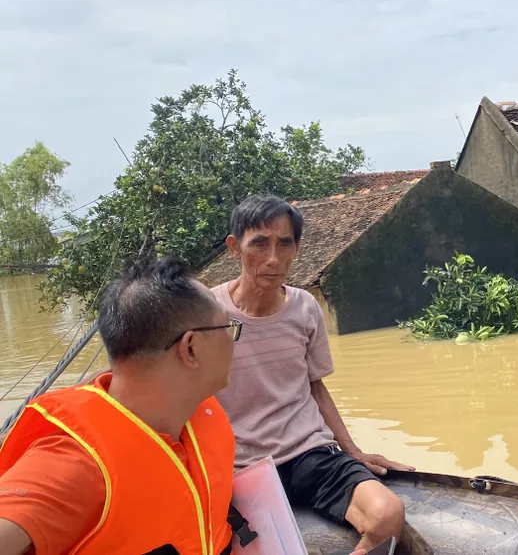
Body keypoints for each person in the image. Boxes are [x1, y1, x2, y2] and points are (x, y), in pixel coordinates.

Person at [211, 194, 414, 553]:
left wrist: (352, 449)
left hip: (308, 454)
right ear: (234, 248)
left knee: (387, 514)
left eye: (284, 244)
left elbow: (315, 387)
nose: (274, 259)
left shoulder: (305, 307)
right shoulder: (208, 313)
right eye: (259, 244)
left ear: (297, 248)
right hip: (239, 467)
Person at [0, 257, 244, 555]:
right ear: (190, 348)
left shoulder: (190, 412)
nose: (233, 340)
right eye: (226, 327)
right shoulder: (74, 464)